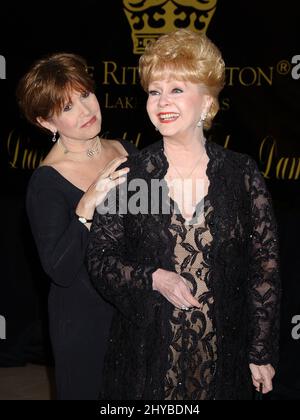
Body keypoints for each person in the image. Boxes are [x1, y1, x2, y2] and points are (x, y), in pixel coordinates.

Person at [86, 29, 281, 400]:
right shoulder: (131, 175)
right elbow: (100, 260)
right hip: (148, 358)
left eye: (176, 89)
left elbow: (265, 266)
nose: (162, 101)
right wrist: (153, 277)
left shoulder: (241, 174)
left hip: (224, 357)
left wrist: (260, 351)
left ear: (207, 103)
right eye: (154, 91)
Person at [16, 52, 137, 400]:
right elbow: (60, 270)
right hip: (85, 321)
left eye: (85, 95)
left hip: (132, 310)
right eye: (67, 107)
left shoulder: (126, 151)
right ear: (47, 123)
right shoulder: (47, 183)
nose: (86, 111)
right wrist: (85, 207)